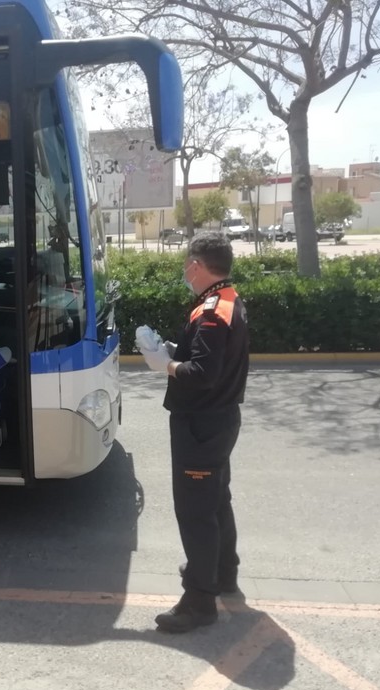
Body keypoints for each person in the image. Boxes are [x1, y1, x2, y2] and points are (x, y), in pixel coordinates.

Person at [140, 232, 250, 634]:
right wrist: (172, 348)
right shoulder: (227, 299)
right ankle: (223, 573)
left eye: (188, 262)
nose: (185, 269)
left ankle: (200, 601)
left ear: (198, 265)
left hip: (201, 423)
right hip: (218, 420)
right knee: (216, 498)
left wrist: (164, 365)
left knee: (195, 511)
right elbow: (211, 357)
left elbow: (203, 373)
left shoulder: (211, 311)